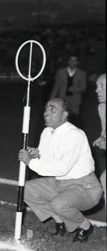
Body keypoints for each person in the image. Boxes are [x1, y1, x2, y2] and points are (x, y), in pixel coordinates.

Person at [19, 97, 102, 242]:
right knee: (24, 189)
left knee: (59, 204)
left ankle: (85, 227)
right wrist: (36, 154)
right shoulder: (47, 132)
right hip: (59, 183)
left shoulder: (75, 134)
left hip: (84, 187)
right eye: (46, 109)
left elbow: (61, 168)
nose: (46, 113)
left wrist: (30, 162)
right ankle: (60, 222)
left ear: (64, 115)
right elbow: (48, 158)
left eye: (53, 110)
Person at [92, 73, 106, 202]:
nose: (97, 90)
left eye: (102, 86)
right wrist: (102, 138)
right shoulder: (102, 107)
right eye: (97, 86)